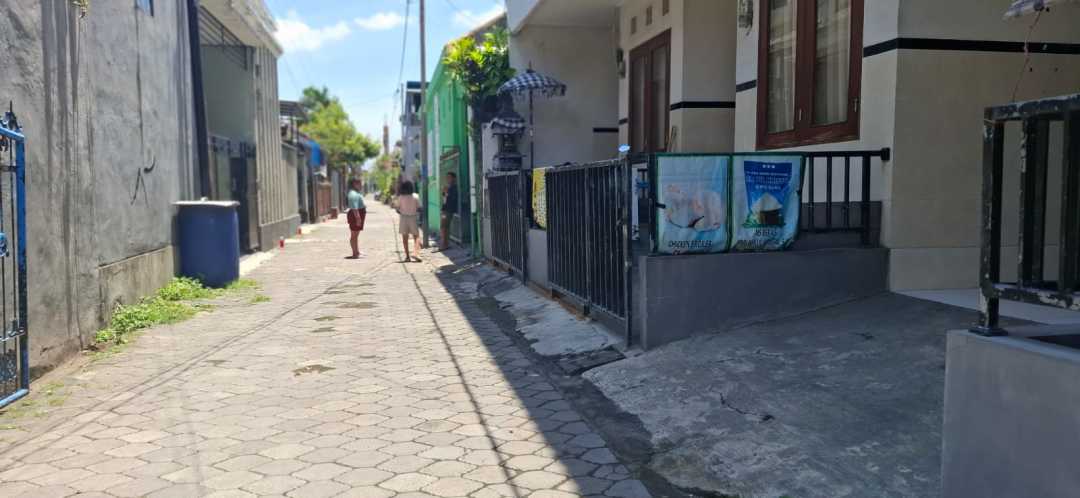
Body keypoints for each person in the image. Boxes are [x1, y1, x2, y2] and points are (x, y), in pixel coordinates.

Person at [397, 181, 422, 262]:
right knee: (416, 236)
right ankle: (416, 253)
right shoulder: (415, 196)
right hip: (413, 217)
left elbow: (397, 208)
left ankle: (407, 257)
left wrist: (402, 211)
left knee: (405, 238)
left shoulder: (401, 197)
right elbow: (419, 208)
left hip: (403, 218)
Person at [345, 178, 366, 259]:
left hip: (359, 213)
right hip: (356, 215)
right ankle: (355, 253)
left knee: (356, 235)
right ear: (355, 184)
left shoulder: (355, 193)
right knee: (354, 235)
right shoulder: (353, 194)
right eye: (360, 184)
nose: (361, 185)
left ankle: (357, 251)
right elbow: (354, 208)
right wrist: (358, 218)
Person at [440, 172, 458, 251]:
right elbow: (444, 198)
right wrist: (444, 192)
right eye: (447, 177)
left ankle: (445, 244)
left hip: (448, 210)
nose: (448, 179)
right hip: (445, 209)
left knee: (444, 226)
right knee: (444, 227)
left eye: (449, 177)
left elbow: (452, 198)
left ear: (454, 178)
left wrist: (446, 192)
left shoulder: (454, 187)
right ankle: (445, 243)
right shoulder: (448, 187)